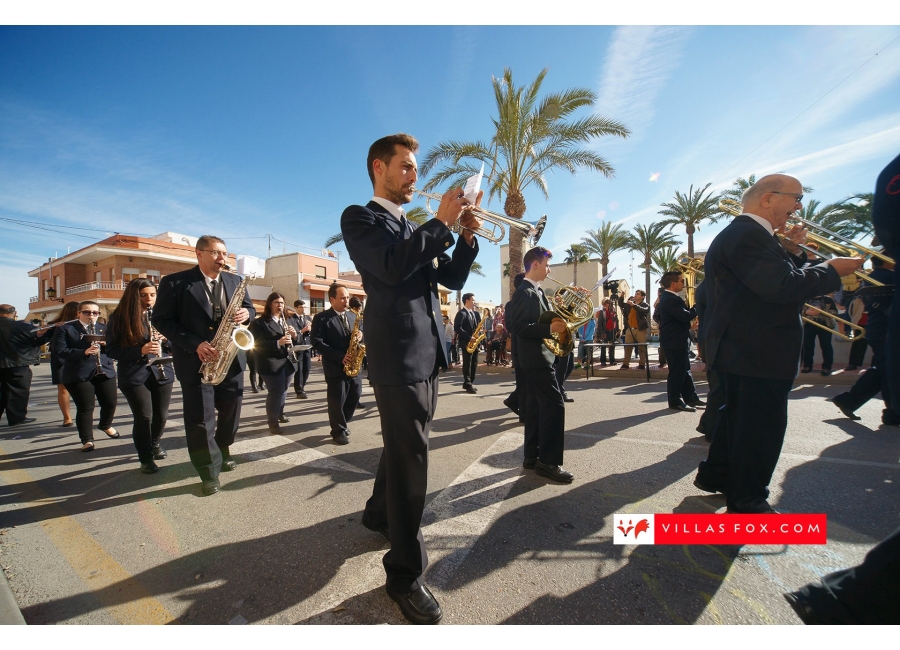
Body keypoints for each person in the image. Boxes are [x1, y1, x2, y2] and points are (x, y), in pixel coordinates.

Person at [340, 133, 480, 625]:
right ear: (379, 167)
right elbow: (392, 267)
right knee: (411, 455)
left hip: (427, 353)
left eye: (416, 167)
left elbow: (452, 280)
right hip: (398, 354)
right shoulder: (361, 218)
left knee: (404, 445)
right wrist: (440, 222)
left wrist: (463, 238)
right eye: (406, 166)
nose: (414, 175)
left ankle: (380, 514)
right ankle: (403, 574)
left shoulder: (410, 226)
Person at [693, 174, 862, 513]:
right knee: (760, 426)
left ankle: (718, 477)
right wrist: (831, 269)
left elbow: (771, 278)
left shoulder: (752, 235)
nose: (799, 206)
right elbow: (779, 287)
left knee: (738, 419)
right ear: (767, 199)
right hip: (756, 348)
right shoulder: (748, 234)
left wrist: (794, 251)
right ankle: (748, 499)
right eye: (795, 197)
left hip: (746, 346)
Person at [152, 235, 255, 497]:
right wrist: (194, 343)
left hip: (230, 360)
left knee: (231, 415)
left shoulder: (235, 281)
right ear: (199, 254)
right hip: (196, 361)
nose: (223, 259)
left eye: (225, 253)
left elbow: (249, 309)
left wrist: (247, 315)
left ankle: (223, 448)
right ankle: (208, 470)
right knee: (200, 419)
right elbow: (162, 320)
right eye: (217, 253)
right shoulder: (174, 282)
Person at [506, 246, 572, 484]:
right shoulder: (524, 293)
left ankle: (531, 457)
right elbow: (518, 327)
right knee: (555, 406)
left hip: (539, 358)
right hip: (535, 360)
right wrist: (548, 329)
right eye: (546, 264)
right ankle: (548, 462)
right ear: (535, 264)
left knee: (534, 408)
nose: (549, 269)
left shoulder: (537, 292)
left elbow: (550, 319)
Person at [106, 279, 174, 473]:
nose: (149, 299)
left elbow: (174, 345)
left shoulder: (161, 316)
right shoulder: (118, 318)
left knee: (161, 416)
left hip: (161, 371)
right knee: (144, 416)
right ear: (133, 296)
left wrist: (166, 339)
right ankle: (145, 458)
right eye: (143, 295)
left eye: (152, 295)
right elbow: (111, 350)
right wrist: (140, 350)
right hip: (135, 374)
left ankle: (154, 443)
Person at [831, 256, 896, 424]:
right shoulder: (887, 276)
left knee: (886, 369)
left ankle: (891, 412)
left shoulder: (877, 275)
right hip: (885, 329)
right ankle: (890, 412)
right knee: (886, 368)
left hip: (881, 328)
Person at [54, 300, 119, 452]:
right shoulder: (66, 329)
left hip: (104, 370)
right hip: (79, 373)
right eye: (87, 312)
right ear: (78, 313)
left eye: (95, 313)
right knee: (85, 407)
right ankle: (87, 440)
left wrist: (106, 345)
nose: (91, 316)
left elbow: (116, 350)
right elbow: (60, 352)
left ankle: (105, 425)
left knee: (110, 403)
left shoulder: (104, 329)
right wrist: (83, 352)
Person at [310, 284, 361, 445]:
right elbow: (317, 342)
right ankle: (338, 430)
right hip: (335, 366)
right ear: (332, 299)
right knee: (336, 401)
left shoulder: (353, 315)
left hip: (353, 364)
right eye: (343, 298)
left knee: (355, 395)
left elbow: (358, 334)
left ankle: (343, 422)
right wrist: (340, 356)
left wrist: (361, 335)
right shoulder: (322, 318)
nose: (347, 300)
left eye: (347, 297)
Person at [249, 293, 298, 434]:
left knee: (283, 390)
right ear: (269, 304)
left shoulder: (287, 320)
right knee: (275, 392)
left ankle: (280, 413)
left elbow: (297, 339)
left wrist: (295, 335)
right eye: (276, 302)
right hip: (270, 363)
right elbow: (257, 343)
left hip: (287, 362)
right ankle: (273, 422)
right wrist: (278, 342)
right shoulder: (259, 323)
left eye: (282, 303)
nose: (280, 305)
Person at [0, 304, 54, 426]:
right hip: (18, 363)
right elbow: (36, 341)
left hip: (11, 362)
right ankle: (17, 418)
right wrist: (46, 333)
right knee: (18, 391)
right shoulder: (22, 327)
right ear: (14, 313)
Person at [657, 270, 703, 412]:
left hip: (678, 339)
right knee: (678, 371)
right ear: (673, 284)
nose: (684, 283)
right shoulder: (669, 299)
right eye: (682, 281)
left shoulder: (671, 297)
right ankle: (675, 400)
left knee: (685, 370)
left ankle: (691, 398)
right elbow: (684, 316)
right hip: (674, 341)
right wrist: (697, 306)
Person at [47, 301, 80, 427]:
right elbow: (40, 339)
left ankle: (82, 413)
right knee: (63, 389)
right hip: (61, 360)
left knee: (82, 388)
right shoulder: (55, 325)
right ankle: (67, 418)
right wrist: (52, 328)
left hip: (78, 357)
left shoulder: (82, 324)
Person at [503, 273, 526, 419]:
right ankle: (523, 413)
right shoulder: (511, 304)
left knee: (526, 382)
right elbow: (510, 325)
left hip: (528, 349)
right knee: (523, 381)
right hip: (520, 348)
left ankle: (513, 402)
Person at [800, 293, 839, 375]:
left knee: (826, 346)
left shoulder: (828, 299)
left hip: (824, 324)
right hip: (808, 324)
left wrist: (821, 311)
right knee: (807, 346)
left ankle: (826, 367)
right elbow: (799, 311)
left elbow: (835, 312)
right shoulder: (805, 298)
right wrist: (807, 312)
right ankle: (807, 366)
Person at [616, 289, 650, 369]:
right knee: (628, 347)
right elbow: (621, 304)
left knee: (642, 347)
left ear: (642, 296)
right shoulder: (630, 304)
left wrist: (633, 305)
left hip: (640, 329)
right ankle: (625, 364)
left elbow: (643, 311)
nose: (635, 295)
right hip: (630, 329)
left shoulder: (645, 305)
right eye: (635, 293)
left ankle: (642, 364)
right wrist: (622, 296)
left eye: (638, 294)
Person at [454, 293, 480, 393]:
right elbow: (457, 328)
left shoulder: (474, 313)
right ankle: (468, 383)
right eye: (473, 300)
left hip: (475, 342)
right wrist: (469, 337)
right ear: (467, 301)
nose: (474, 302)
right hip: (466, 342)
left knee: (474, 363)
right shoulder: (461, 313)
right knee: (467, 364)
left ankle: (469, 383)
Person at [288, 299, 313, 398]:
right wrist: (303, 330)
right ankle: (299, 390)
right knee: (299, 370)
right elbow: (293, 333)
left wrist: (310, 330)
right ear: (296, 308)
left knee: (307, 369)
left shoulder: (308, 318)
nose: (303, 309)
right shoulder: (291, 319)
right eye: (301, 307)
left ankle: (302, 386)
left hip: (307, 346)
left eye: (304, 307)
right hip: (298, 347)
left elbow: (311, 331)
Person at [595, 297, 617, 366]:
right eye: (607, 303)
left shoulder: (613, 311)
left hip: (612, 331)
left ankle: (612, 360)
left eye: (609, 303)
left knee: (612, 346)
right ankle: (603, 361)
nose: (608, 304)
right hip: (605, 331)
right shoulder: (602, 312)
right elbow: (600, 323)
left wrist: (617, 330)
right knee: (603, 346)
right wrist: (601, 332)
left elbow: (616, 321)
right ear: (604, 304)